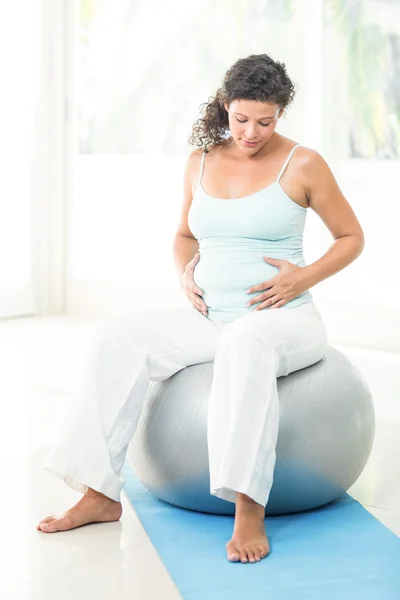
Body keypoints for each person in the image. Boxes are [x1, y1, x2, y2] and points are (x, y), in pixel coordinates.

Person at [36, 54, 364, 564]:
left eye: (265, 120)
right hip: (211, 319)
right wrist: (184, 272)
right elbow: (185, 234)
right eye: (240, 118)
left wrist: (303, 275)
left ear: (281, 114)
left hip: (285, 321)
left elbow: (351, 237)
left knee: (246, 340)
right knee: (116, 336)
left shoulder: (302, 163)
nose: (251, 131)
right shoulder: (201, 161)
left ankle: (248, 506)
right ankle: (99, 494)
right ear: (224, 107)